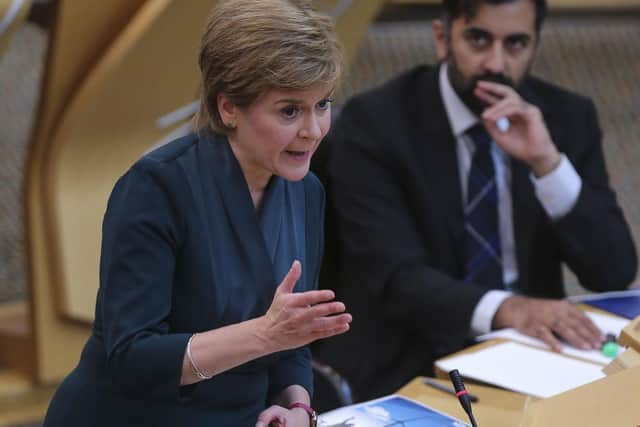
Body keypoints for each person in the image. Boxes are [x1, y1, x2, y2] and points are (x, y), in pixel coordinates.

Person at [43, 1, 351, 426]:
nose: (314, 130)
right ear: (228, 108)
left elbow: (292, 340)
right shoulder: (157, 187)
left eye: (323, 105)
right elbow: (132, 358)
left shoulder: (306, 191)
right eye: (289, 110)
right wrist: (263, 334)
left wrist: (296, 404)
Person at [313, 0, 637, 401]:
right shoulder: (376, 123)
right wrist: (511, 309)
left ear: (535, 45)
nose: (495, 64)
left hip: (536, 357)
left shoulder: (565, 117)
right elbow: (396, 278)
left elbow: (613, 272)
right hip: (407, 358)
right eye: (478, 40)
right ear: (442, 38)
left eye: (516, 44)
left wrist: (548, 164)